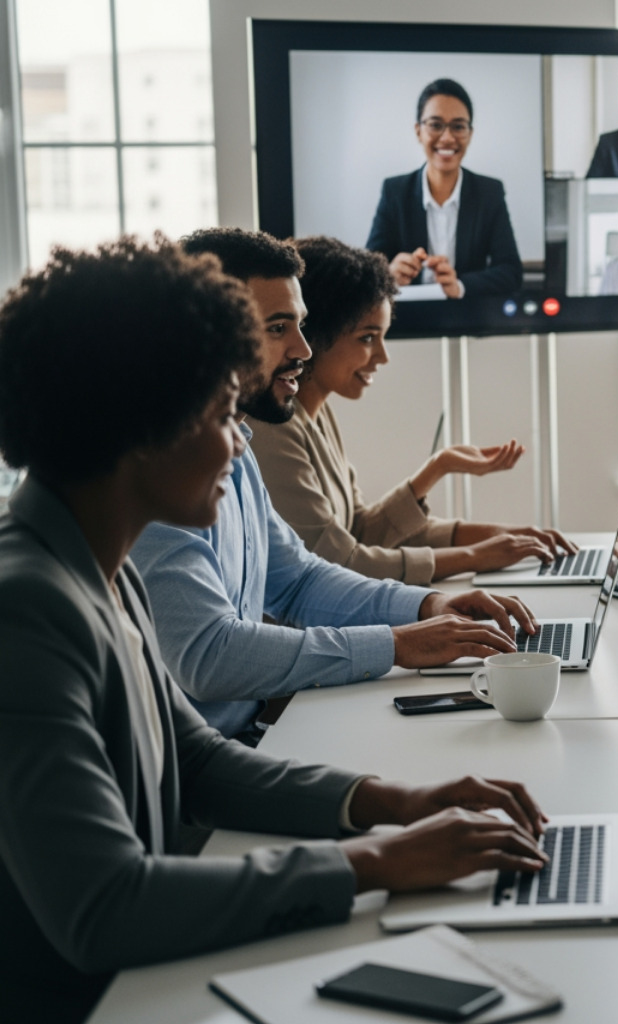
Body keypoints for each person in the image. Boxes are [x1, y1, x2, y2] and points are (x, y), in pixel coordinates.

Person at [0, 237, 550, 1023]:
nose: (236, 442)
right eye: (221, 413)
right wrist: (375, 862)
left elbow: (193, 759)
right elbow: (105, 905)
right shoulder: (26, 608)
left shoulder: (96, 566)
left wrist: (391, 802)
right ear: (138, 423)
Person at [130, 228, 541, 742]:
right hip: (208, 773)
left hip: (253, 738)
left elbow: (300, 579)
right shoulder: (158, 471)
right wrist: (396, 644)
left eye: (300, 326)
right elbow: (208, 657)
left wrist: (426, 607)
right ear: (208, 334)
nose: (303, 348)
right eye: (278, 328)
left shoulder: (237, 440)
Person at [247, 236, 576, 584]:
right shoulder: (273, 425)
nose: (382, 356)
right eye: (367, 338)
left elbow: (359, 530)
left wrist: (441, 470)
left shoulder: (316, 412)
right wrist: (474, 557)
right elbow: (339, 562)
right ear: (317, 335)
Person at [365, 78, 523, 298]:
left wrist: (459, 285)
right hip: (408, 319)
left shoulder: (490, 192)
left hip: (467, 317)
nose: (448, 138)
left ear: (470, 134)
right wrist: (389, 274)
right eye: (436, 125)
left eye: (458, 126)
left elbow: (511, 272)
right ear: (418, 131)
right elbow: (368, 272)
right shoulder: (395, 191)